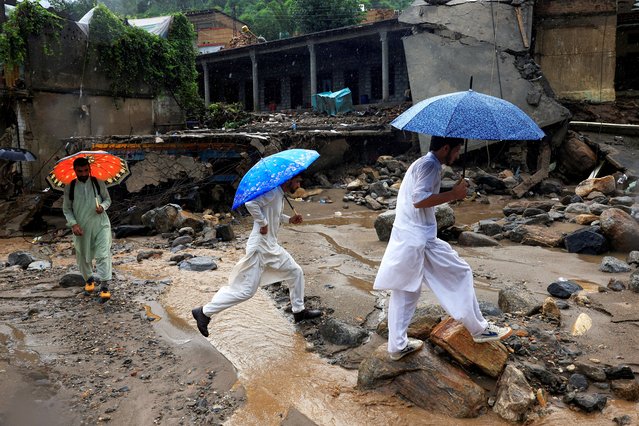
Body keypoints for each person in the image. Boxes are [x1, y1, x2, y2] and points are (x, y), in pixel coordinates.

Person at [374, 136, 512, 361]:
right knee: (461, 273)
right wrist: (453, 195)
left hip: (409, 236)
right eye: (457, 150)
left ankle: (397, 346)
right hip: (421, 240)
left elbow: (419, 195)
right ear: (446, 148)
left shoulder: (422, 163)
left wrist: (450, 190)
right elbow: (419, 199)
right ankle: (479, 329)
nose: (458, 155)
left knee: (405, 292)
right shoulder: (430, 165)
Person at [191, 174, 321, 337]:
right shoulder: (273, 192)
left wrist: (290, 220)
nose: (299, 182)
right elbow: (251, 203)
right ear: (288, 180)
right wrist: (263, 223)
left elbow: (274, 214)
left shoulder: (279, 194)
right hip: (260, 247)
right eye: (297, 180)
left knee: (295, 272)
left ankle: (299, 311)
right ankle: (204, 312)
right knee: (246, 291)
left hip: (270, 247)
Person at [62, 157, 113, 302]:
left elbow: (108, 200)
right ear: (75, 170)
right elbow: (66, 209)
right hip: (81, 227)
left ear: (89, 169)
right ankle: (89, 280)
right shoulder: (70, 187)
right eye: (80, 171)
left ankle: (104, 287)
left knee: (103, 254)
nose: (83, 173)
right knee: (82, 255)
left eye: (86, 170)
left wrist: (102, 207)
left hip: (101, 224)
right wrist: (73, 224)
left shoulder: (98, 183)